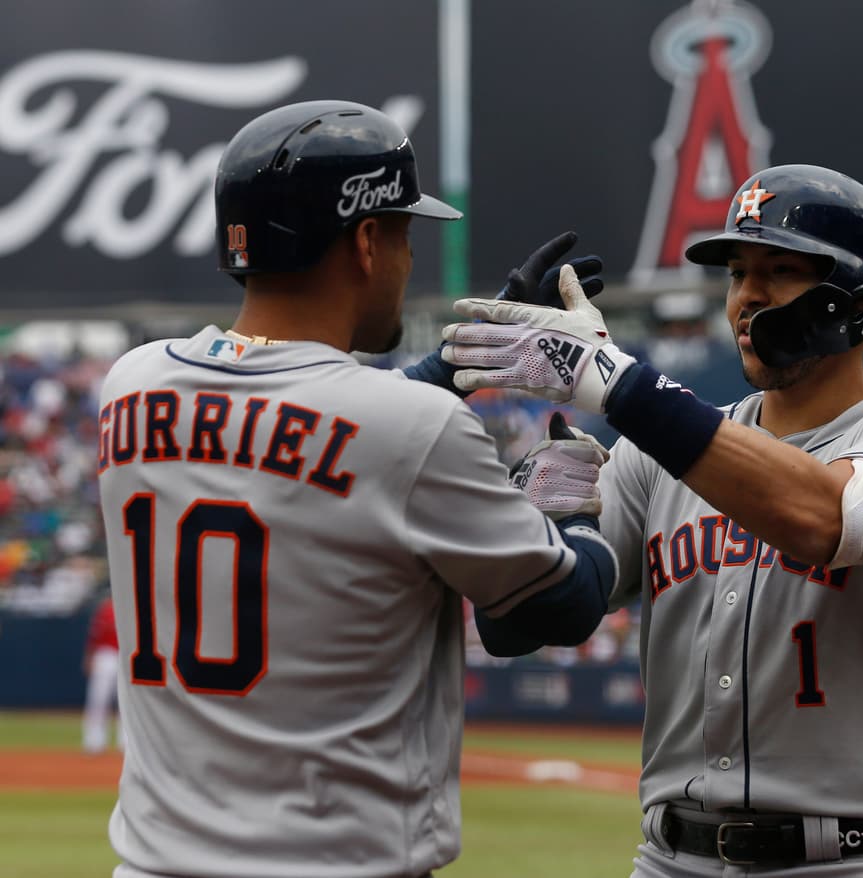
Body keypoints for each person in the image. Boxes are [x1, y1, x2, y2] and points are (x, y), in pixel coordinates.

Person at [95, 100, 618, 878]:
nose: (407, 262)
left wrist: (448, 368)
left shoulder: (128, 384)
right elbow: (561, 607)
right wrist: (573, 509)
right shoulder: (409, 427)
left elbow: (311, 421)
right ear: (367, 241)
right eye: (404, 235)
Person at [443, 165, 863, 876]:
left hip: (846, 862)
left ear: (851, 298)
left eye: (779, 271)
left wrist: (617, 382)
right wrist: (543, 524)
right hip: (670, 858)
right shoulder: (651, 456)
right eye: (738, 272)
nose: (747, 297)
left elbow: (824, 518)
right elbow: (520, 624)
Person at [81, 593, 123, 754]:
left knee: (124, 703)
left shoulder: (127, 609)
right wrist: (89, 657)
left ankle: (124, 742)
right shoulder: (105, 610)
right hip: (105, 655)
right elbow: (94, 637)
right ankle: (94, 740)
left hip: (123, 656)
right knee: (98, 699)